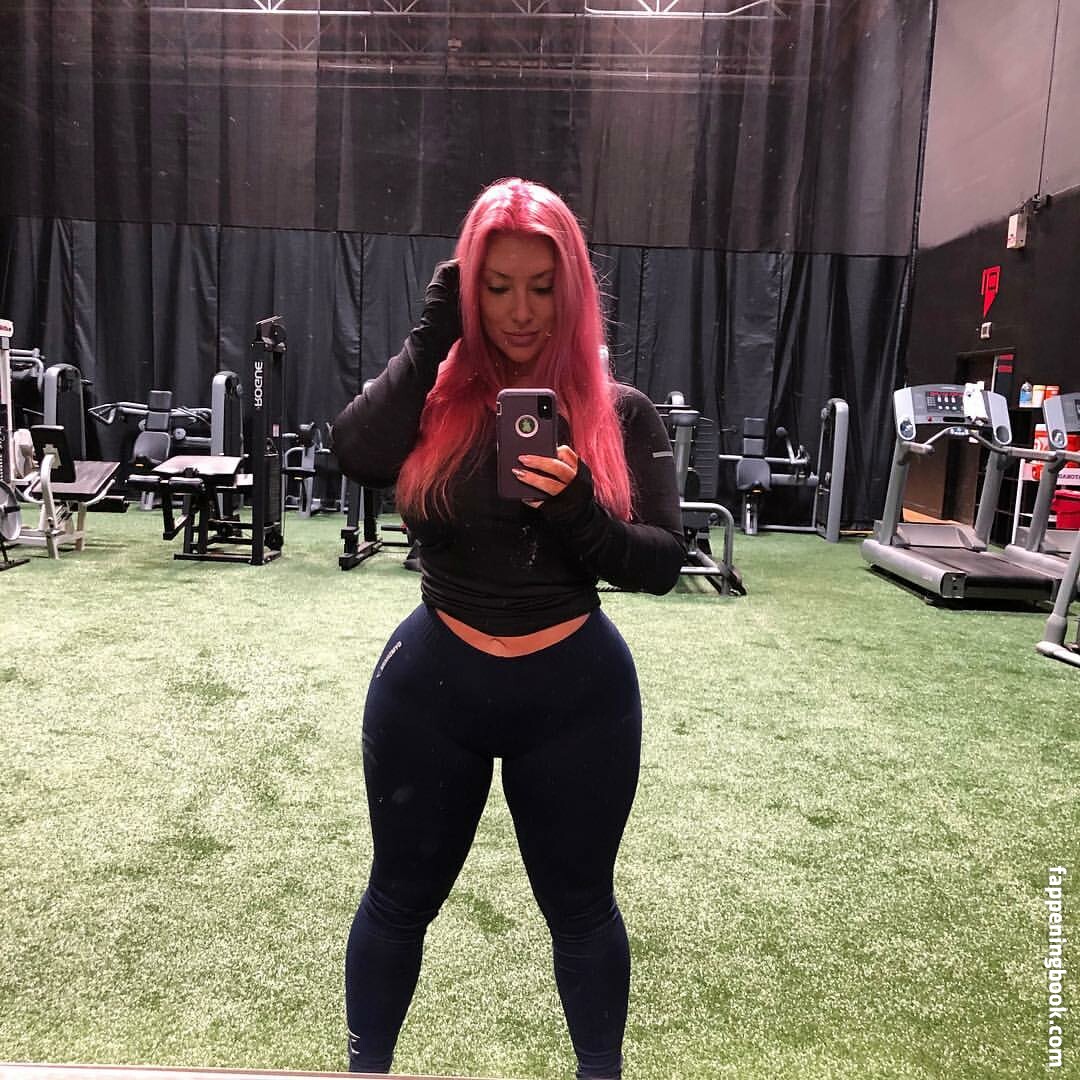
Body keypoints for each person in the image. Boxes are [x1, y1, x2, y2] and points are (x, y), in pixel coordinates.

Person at [332, 177, 686, 1079]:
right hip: (432, 688)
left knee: (582, 909)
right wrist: (432, 341)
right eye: (497, 287)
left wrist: (578, 510)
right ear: (469, 291)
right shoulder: (433, 400)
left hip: (576, 698)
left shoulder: (619, 411)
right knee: (397, 899)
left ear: (573, 292)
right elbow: (355, 453)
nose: (521, 311)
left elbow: (660, 563)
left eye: (541, 287)